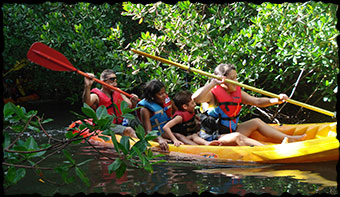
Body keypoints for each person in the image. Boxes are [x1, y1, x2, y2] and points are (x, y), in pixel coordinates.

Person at [192, 63, 306, 145]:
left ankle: (289, 139)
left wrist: (277, 100)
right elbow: (196, 98)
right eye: (232, 78)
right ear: (222, 80)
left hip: (231, 130)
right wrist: (213, 82)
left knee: (255, 122)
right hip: (213, 137)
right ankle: (267, 149)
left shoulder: (237, 93)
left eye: (236, 77)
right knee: (237, 137)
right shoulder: (212, 95)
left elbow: (257, 101)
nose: (236, 81)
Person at [82, 69, 139, 138]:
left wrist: (134, 102)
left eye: (115, 80)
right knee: (129, 130)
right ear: (103, 82)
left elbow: (130, 107)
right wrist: (87, 86)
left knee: (138, 120)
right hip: (106, 125)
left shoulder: (118, 92)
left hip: (119, 123)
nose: (115, 83)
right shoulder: (96, 96)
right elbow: (86, 103)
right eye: (112, 79)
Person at [137, 79, 173, 151]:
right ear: (152, 96)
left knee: (179, 135)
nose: (164, 96)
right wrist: (160, 139)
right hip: (155, 136)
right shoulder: (145, 110)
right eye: (160, 94)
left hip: (165, 132)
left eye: (164, 93)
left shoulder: (163, 102)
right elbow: (148, 131)